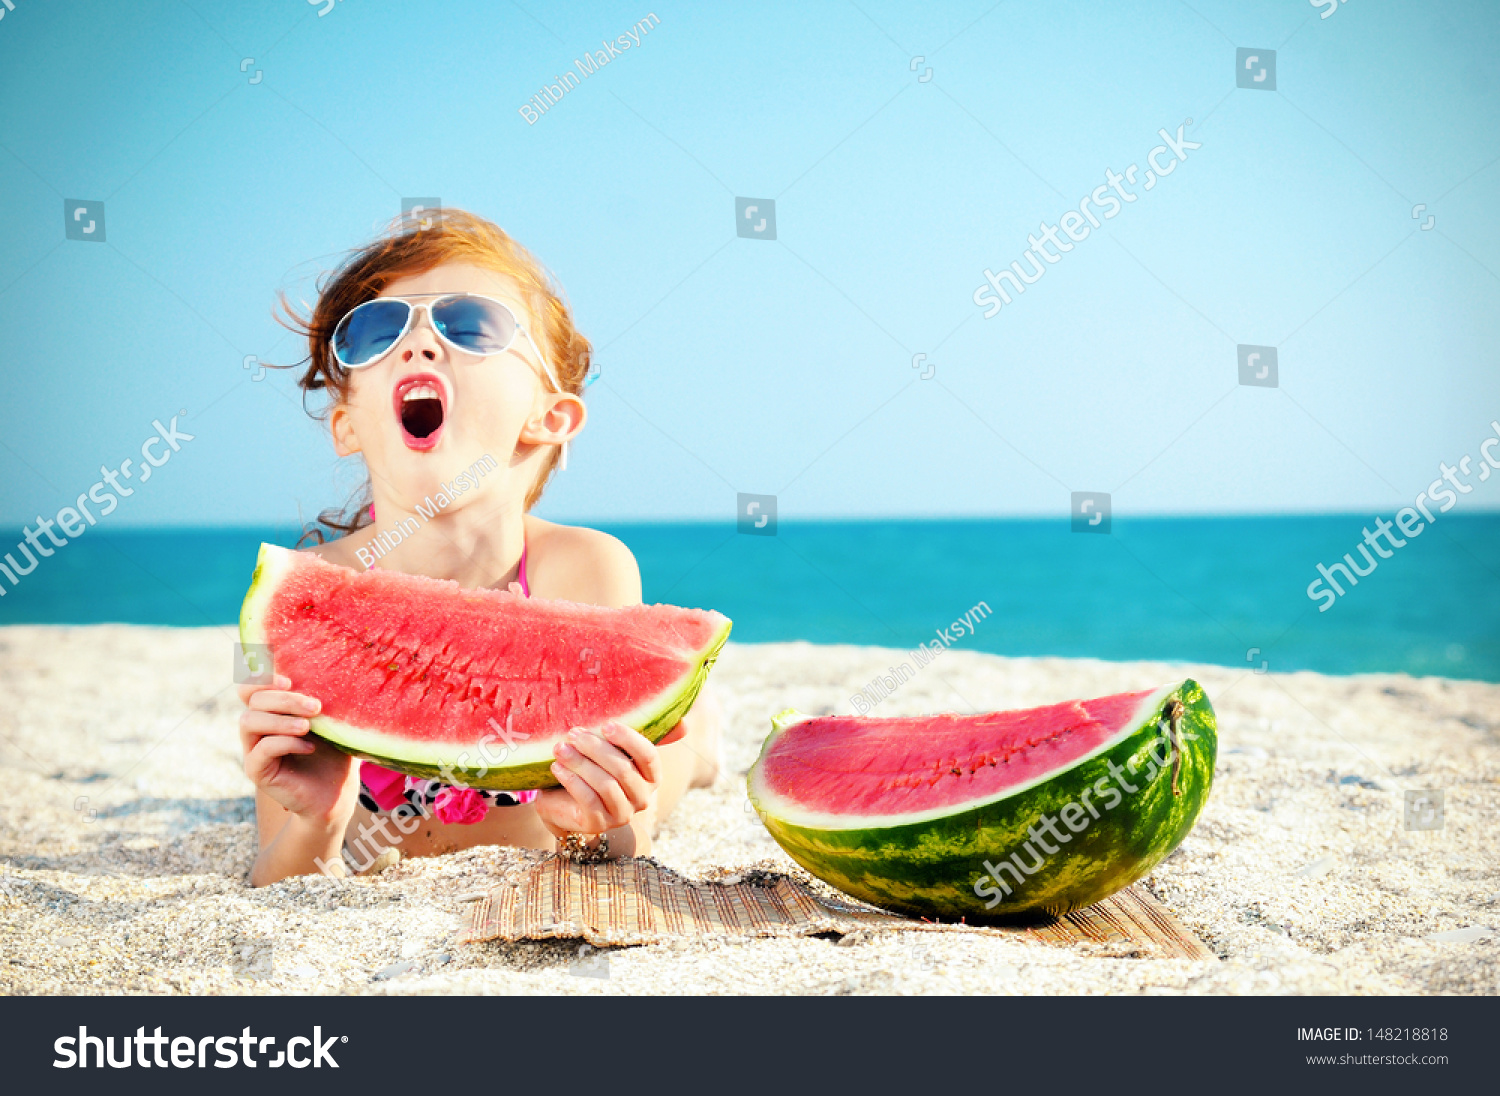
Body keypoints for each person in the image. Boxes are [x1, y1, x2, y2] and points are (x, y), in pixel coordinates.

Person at [238, 209, 720, 886]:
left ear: (549, 417)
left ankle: (697, 746)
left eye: (471, 325)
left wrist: (603, 825)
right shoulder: (292, 604)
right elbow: (277, 874)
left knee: (670, 760)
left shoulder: (587, 568)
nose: (419, 344)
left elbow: (615, 849)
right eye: (375, 332)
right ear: (345, 425)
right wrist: (315, 819)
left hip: (562, 809)